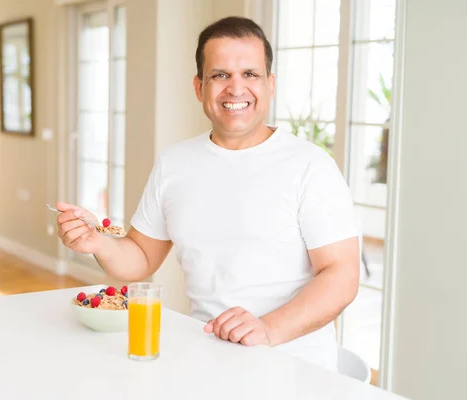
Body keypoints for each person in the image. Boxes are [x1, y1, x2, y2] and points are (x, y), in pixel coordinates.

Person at [56, 16, 359, 371]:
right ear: (199, 87)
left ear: (270, 84)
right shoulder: (174, 163)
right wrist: (99, 242)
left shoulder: (310, 165)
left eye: (250, 74)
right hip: (205, 357)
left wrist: (267, 329)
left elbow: (341, 275)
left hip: (294, 367)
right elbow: (140, 257)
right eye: (220, 75)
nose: (235, 88)